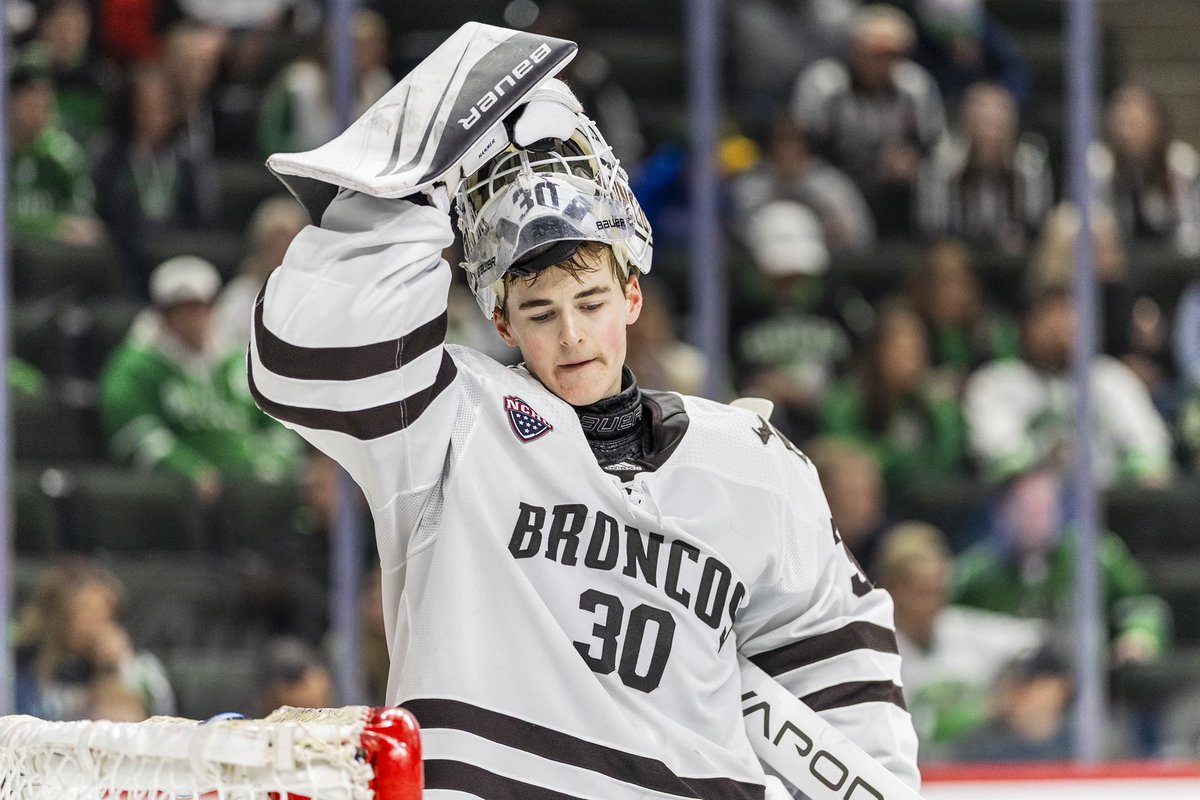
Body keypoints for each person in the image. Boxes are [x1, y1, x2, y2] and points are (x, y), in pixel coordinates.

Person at [252, 34, 919, 798]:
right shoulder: (450, 425)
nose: (571, 334)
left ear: (632, 295)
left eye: (591, 302)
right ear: (501, 321)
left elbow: (841, 671)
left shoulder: (752, 462)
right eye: (540, 312)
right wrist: (426, 173)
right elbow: (301, 355)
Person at [99, 255, 303, 506]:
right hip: (183, 500)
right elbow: (134, 436)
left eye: (201, 307)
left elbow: (278, 421)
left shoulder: (237, 359)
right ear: (163, 314)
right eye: (182, 310)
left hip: (254, 490)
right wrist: (190, 472)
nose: (194, 318)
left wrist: (274, 465)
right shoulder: (134, 366)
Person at [962, 286, 1173, 488]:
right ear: (1027, 325)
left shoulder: (1111, 378)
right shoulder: (995, 383)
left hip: (1105, 506)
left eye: (1070, 314)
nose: (1064, 324)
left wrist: (1142, 473)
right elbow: (1004, 461)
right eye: (1052, 314)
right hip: (1025, 508)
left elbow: (1150, 452)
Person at [876, 521, 1044, 761]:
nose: (935, 604)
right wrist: (990, 708)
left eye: (940, 591)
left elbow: (1036, 640)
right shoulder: (874, 653)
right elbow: (922, 729)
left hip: (980, 767)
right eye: (924, 592)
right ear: (893, 588)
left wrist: (1020, 685)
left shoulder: (959, 627)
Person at [791, 3, 946, 238]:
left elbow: (934, 143)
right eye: (874, 54)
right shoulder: (823, 83)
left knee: (933, 179)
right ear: (855, 50)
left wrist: (912, 159)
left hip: (895, 183)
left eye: (891, 55)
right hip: (834, 174)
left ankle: (929, 241)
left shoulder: (916, 85)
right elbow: (801, 147)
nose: (882, 64)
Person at [14, 557, 176, 721]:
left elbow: (159, 719)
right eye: (86, 613)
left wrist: (116, 668)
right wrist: (47, 663)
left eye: (105, 614)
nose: (95, 625)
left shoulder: (141, 667)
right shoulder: (21, 668)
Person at [915, 82, 1052, 254]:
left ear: (1012, 126)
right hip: (956, 255)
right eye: (983, 122)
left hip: (1017, 256)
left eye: (997, 124)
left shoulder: (1031, 168)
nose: (990, 134)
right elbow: (932, 229)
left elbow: (1038, 227)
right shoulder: (940, 167)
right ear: (966, 124)